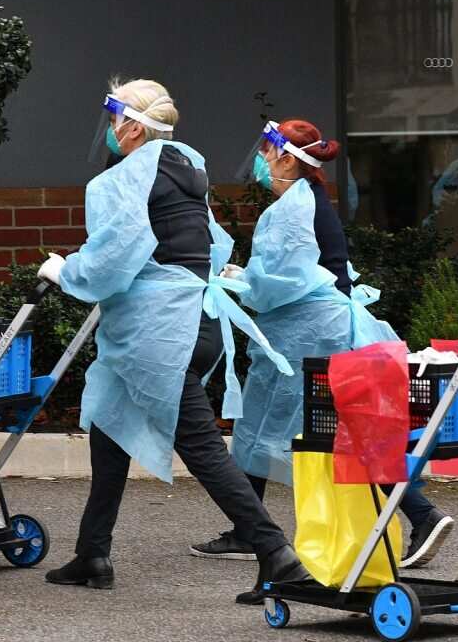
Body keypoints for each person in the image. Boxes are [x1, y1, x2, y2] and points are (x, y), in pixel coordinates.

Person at [35, 78, 309, 599]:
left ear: (134, 126)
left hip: (158, 331)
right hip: (194, 317)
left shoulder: (122, 179)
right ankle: (93, 552)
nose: (111, 131)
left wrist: (64, 271)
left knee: (201, 446)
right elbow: (200, 243)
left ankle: (275, 551)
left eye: (115, 119)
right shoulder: (185, 166)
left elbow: (111, 260)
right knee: (109, 426)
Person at [191, 118, 457, 584]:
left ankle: (420, 513)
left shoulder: (291, 208)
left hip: (310, 334)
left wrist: (241, 282)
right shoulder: (307, 201)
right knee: (300, 429)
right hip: (321, 329)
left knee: (324, 435)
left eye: (268, 152)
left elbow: (282, 281)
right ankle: (247, 528)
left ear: (288, 159)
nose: (262, 160)